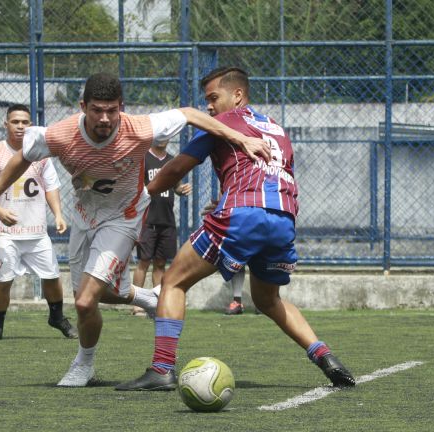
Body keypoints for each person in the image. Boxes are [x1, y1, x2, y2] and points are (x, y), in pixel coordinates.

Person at [0, 72, 270, 387]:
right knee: (98, 296)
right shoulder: (60, 134)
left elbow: (190, 114)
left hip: (125, 215)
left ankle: (83, 365)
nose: (105, 118)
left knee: (86, 302)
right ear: (83, 106)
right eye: (97, 110)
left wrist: (240, 138)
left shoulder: (139, 127)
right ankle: (147, 298)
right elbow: (22, 157)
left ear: (121, 107)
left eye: (112, 110)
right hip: (84, 215)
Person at [116, 67, 355, 391]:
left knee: (173, 281)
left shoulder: (222, 124)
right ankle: (326, 357)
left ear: (237, 95)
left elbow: (176, 168)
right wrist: (228, 199)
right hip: (283, 216)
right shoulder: (276, 129)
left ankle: (161, 369)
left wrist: (143, 195)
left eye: (214, 98)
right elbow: (274, 175)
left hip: (243, 215)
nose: (210, 108)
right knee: (268, 300)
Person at [0, 104, 78, 341]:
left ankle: (57, 317)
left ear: (30, 125)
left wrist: (58, 214)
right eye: (15, 122)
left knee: (52, 277)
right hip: (5, 232)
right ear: (6, 124)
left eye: (25, 122)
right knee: (3, 280)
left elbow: (50, 186)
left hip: (37, 231)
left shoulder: (40, 154)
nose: (20, 126)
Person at [131, 140, 192, 317]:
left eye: (168, 136)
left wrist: (180, 190)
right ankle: (137, 304)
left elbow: (176, 185)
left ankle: (157, 302)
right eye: (161, 135)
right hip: (147, 219)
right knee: (143, 262)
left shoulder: (173, 160)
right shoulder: (143, 158)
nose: (164, 138)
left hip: (167, 220)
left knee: (160, 263)